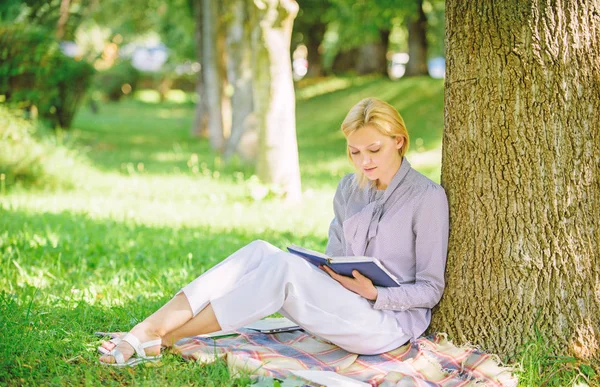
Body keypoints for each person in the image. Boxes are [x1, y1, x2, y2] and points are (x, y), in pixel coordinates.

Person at [99, 97, 449, 366]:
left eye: (374, 150)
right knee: (260, 250)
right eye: (354, 152)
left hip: (387, 327)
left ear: (399, 141)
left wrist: (375, 294)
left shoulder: (427, 198)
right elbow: (338, 257)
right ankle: (152, 327)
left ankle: (162, 336)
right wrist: (326, 270)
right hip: (342, 306)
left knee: (282, 268)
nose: (364, 162)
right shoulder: (349, 189)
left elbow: (431, 289)